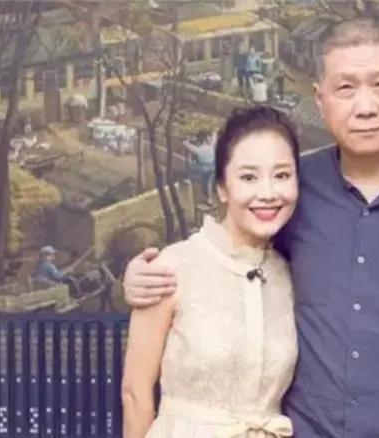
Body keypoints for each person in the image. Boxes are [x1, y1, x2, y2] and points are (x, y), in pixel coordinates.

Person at [124, 15, 379, 438]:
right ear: (320, 99)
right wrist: (142, 276)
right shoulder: (291, 191)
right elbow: (226, 258)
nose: (365, 107)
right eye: (346, 88)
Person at [122, 106, 301, 438]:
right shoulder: (171, 268)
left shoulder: (290, 273)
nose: (268, 193)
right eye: (248, 177)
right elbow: (135, 393)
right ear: (222, 187)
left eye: (281, 175)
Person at [183, 130, 217, 205]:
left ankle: (188, 178)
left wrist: (188, 139)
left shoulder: (198, 150)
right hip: (212, 168)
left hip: (202, 168)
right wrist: (214, 132)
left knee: (191, 164)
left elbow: (185, 144)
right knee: (207, 183)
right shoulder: (211, 146)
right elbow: (214, 137)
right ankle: (209, 199)